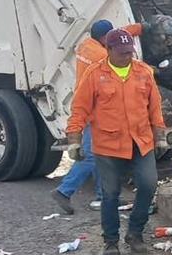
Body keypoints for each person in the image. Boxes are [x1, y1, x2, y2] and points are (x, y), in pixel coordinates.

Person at [67, 28, 166, 255]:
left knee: (149, 184)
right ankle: (111, 242)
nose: (127, 56)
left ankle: (135, 234)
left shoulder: (143, 72)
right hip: (108, 145)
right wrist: (74, 140)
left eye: (129, 52)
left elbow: (155, 107)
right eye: (122, 52)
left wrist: (160, 135)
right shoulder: (94, 74)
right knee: (110, 193)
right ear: (108, 50)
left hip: (140, 141)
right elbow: (79, 108)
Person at [52, 19, 144, 214]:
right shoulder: (100, 55)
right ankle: (64, 191)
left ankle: (105, 197)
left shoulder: (87, 44)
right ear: (103, 38)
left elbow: (118, 34)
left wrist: (140, 28)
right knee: (91, 157)